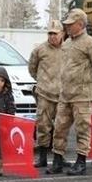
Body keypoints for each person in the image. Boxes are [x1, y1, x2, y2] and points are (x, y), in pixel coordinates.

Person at [47, 8, 92, 176]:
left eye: (71, 24)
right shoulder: (66, 43)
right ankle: (57, 160)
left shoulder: (90, 43)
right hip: (65, 94)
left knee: (82, 129)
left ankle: (81, 162)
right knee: (59, 127)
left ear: (80, 24)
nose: (67, 27)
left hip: (82, 95)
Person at [28, 19, 63, 168]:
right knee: (43, 126)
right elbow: (32, 68)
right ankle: (42, 157)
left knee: (62, 127)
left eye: (55, 34)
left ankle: (59, 157)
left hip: (63, 95)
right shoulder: (40, 50)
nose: (52, 36)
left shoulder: (68, 49)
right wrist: (42, 81)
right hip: (45, 94)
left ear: (62, 34)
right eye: (50, 33)